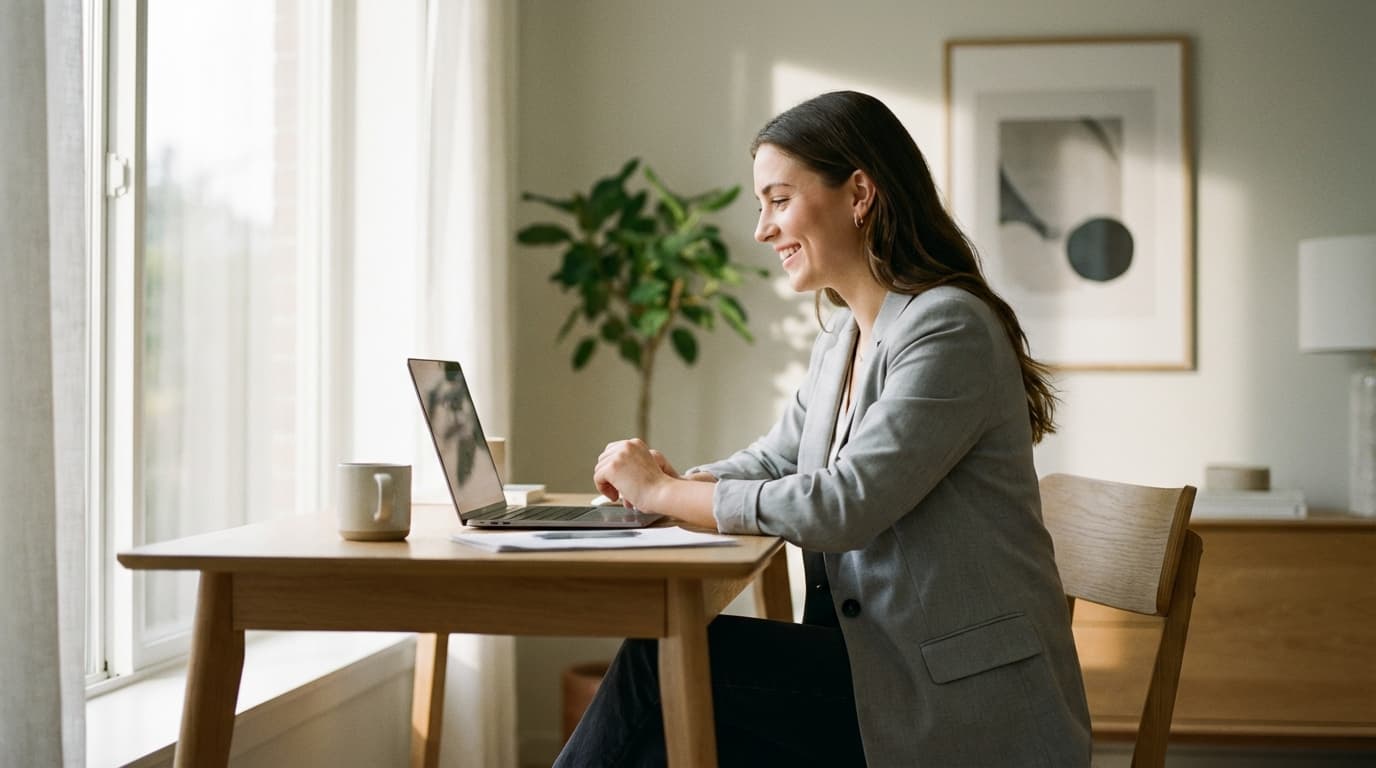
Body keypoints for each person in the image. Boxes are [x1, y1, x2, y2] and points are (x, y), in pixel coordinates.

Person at [556, 90, 1092, 767]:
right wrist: (678, 482)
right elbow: (780, 460)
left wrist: (663, 497)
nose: (761, 230)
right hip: (883, 673)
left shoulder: (947, 327)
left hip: (964, 707)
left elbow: (843, 505)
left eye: (779, 201)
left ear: (859, 193)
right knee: (663, 713)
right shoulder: (843, 334)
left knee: (659, 669)